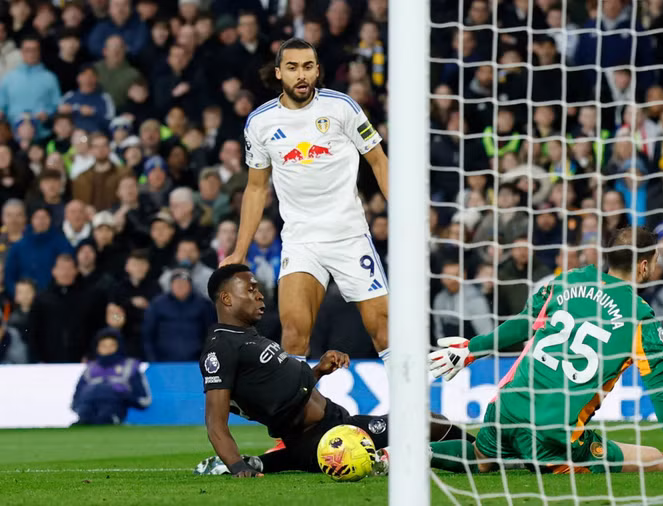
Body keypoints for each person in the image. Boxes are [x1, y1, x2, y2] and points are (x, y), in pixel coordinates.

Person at [425, 227, 663, 475]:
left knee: (481, 458)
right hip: (553, 436)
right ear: (644, 266)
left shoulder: (567, 280)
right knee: (657, 460)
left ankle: (402, 454)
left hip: (506, 408)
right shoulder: (640, 317)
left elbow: (521, 326)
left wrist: (470, 350)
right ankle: (547, 462)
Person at [195, 264, 470, 477]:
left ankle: (266, 461)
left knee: (423, 424)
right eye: (251, 289)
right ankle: (487, 454)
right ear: (227, 299)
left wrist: (319, 371)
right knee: (425, 422)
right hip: (323, 436)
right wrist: (236, 466)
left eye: (258, 288)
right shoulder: (220, 348)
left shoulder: (249, 336)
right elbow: (215, 421)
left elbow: (280, 389)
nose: (259, 294)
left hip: (331, 423)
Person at [220, 39, 390, 367]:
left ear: (317, 71)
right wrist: (239, 252)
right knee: (294, 332)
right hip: (301, 240)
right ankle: (294, 417)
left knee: (382, 328)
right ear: (279, 72)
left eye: (308, 67)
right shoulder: (260, 122)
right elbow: (256, 189)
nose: (302, 75)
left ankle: (411, 411)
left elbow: (379, 161)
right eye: (294, 67)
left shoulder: (343, 107)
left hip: (349, 236)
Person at [71, 327, 151, 425]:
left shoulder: (129, 366)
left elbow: (144, 400)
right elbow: (76, 397)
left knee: (104, 417)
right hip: (87, 409)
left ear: (119, 346)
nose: (108, 349)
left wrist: (122, 394)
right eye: (103, 346)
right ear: (97, 348)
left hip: (113, 410)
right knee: (84, 419)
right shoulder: (90, 369)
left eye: (112, 345)